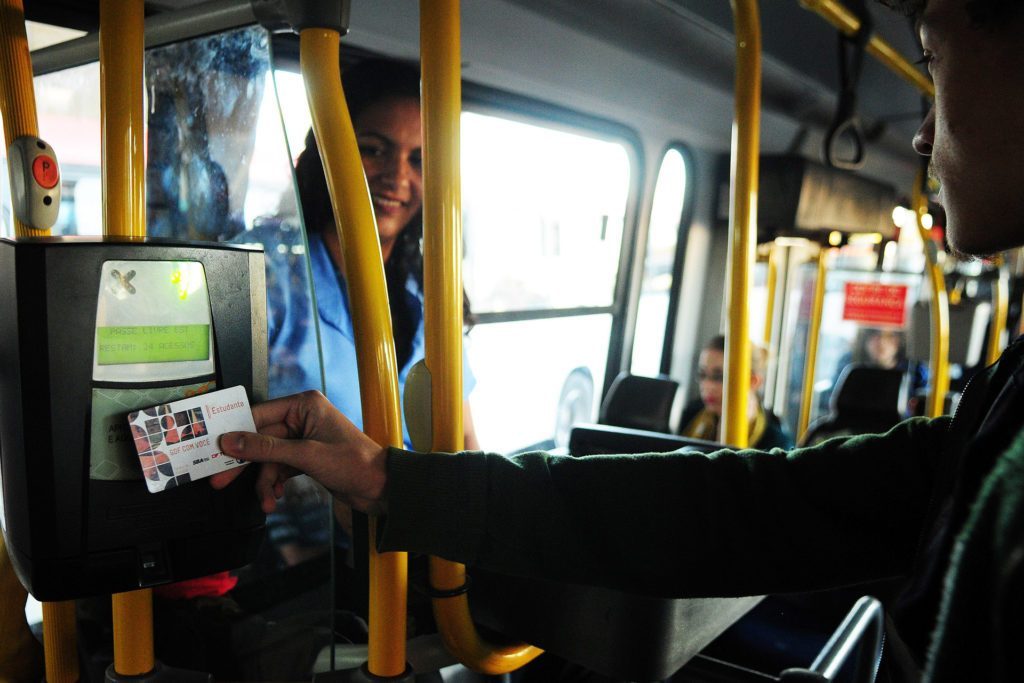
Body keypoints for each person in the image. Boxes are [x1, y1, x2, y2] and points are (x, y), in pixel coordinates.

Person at [212, 1, 1024, 680]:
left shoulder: (422, 292)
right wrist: (392, 478)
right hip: (302, 565)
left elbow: (748, 511)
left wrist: (404, 489)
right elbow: (751, 505)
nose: (921, 135)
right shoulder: (996, 417)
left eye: (933, 63)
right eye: (374, 150)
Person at [679, 334, 793, 449]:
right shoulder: (692, 415)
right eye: (702, 374)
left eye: (719, 377)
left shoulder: (776, 444)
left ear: (753, 381)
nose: (707, 386)